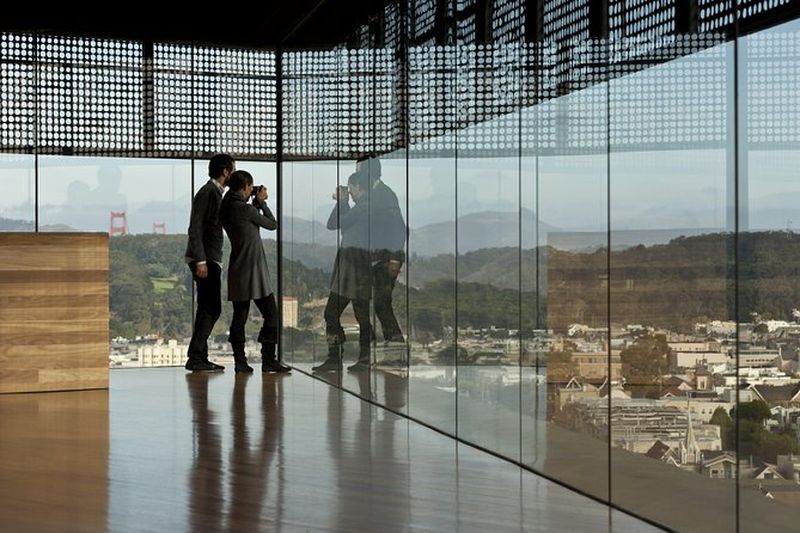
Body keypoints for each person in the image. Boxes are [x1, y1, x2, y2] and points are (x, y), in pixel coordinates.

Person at [219, 170, 291, 374]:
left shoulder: (226, 206)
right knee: (271, 315)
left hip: (237, 268)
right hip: (254, 269)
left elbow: (243, 216)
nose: (252, 190)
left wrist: (253, 202)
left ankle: (240, 361)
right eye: (250, 187)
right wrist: (262, 203)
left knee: (239, 317)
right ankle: (269, 360)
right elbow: (272, 225)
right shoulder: (245, 210)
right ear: (245, 187)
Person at [312, 171, 373, 372]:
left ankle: (336, 357)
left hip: (352, 268)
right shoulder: (365, 208)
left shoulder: (363, 208)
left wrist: (341, 202)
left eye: (351, 188)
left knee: (333, 313)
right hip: (358, 266)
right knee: (361, 315)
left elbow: (333, 224)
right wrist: (344, 202)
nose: (350, 192)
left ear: (358, 187)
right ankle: (363, 358)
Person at [184, 154, 235, 372]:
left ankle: (198, 357)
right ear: (225, 171)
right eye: (232, 169)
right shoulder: (208, 193)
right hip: (205, 259)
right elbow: (195, 228)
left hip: (208, 258)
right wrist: (201, 261)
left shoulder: (215, 193)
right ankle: (196, 356)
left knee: (208, 307)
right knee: (211, 307)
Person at [357, 155, 406, 345]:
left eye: (359, 171)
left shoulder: (384, 195)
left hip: (385, 259)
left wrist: (394, 258)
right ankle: (384, 346)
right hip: (376, 258)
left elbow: (398, 227)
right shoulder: (373, 194)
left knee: (381, 304)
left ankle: (396, 346)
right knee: (374, 303)